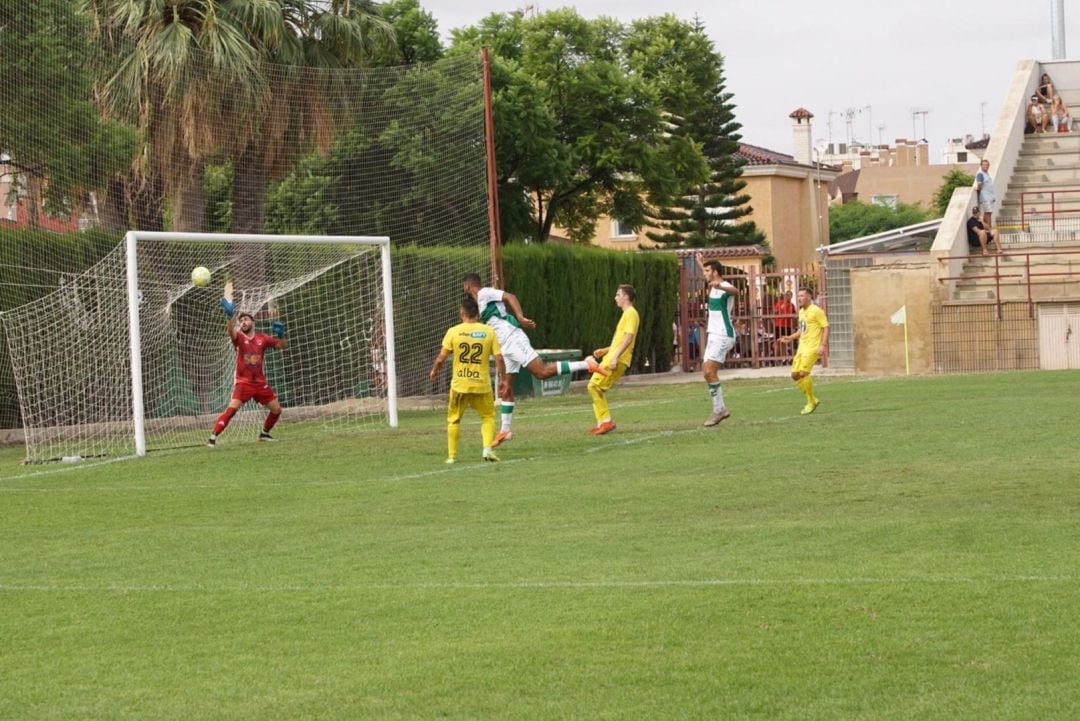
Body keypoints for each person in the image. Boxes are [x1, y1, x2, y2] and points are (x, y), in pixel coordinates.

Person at [462, 273, 606, 447]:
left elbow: (510, 296)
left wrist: (521, 317)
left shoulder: (485, 293)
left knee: (542, 372)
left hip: (513, 338)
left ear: (468, 286)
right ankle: (505, 430)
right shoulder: (478, 302)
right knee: (506, 387)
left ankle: (586, 363)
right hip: (504, 346)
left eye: (464, 287)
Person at [429, 296, 505, 464]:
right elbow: (499, 358)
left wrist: (435, 370)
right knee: (487, 417)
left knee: (454, 419)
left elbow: (442, 358)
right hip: (481, 385)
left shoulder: (453, 331)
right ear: (477, 313)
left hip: (459, 385)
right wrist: (504, 380)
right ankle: (487, 449)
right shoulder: (488, 331)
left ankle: (452, 456)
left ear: (462, 312)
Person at [207, 300, 288, 448]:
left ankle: (264, 433)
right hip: (243, 382)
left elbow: (282, 346)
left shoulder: (262, 338)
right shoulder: (239, 337)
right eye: (241, 320)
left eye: (245, 319)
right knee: (232, 409)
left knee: (276, 410)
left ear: (252, 321)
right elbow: (230, 333)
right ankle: (213, 437)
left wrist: (281, 335)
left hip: (260, 383)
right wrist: (229, 317)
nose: (243, 322)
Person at [587, 284, 639, 435]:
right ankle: (602, 422)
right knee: (597, 387)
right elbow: (621, 340)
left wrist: (615, 356)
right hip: (612, 357)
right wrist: (606, 350)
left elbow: (629, 338)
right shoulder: (627, 314)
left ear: (626, 297)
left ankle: (606, 422)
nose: (615, 298)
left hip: (616, 359)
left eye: (618, 295)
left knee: (593, 386)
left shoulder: (631, 313)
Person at [697, 252, 741, 427]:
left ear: (715, 272)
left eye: (707, 271)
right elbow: (710, 276)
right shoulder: (713, 284)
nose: (704, 273)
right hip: (714, 334)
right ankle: (720, 408)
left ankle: (719, 410)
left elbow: (735, 291)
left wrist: (721, 286)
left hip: (723, 334)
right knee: (707, 372)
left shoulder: (723, 286)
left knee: (709, 371)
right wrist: (701, 263)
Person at [779, 289, 829, 415]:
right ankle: (813, 399)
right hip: (802, 347)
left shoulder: (817, 311)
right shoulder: (801, 312)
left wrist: (823, 345)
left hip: (813, 347)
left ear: (809, 297)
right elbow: (802, 330)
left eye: (802, 296)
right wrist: (789, 338)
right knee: (794, 375)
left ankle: (810, 402)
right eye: (798, 296)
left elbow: (825, 327)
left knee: (803, 373)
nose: (799, 298)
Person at [772, 290, 797, 355]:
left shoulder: (792, 305)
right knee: (777, 342)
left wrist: (793, 327)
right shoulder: (779, 303)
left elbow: (794, 316)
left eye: (789, 295)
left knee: (784, 342)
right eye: (786, 295)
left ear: (791, 297)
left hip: (787, 326)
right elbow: (774, 313)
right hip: (779, 325)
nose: (788, 297)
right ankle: (775, 358)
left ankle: (783, 358)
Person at [975, 159, 996, 229]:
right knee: (988, 213)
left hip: (990, 197)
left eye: (987, 165)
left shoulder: (987, 174)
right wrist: (979, 190)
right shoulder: (980, 174)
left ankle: (987, 228)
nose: (985, 166)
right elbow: (979, 183)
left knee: (989, 213)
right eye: (984, 165)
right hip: (985, 197)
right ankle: (989, 229)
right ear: (981, 166)